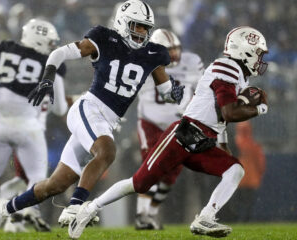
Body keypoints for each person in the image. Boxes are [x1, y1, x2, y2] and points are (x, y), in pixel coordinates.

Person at [0, 0, 185, 238]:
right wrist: (47, 78)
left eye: (145, 28)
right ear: (122, 22)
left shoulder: (153, 53)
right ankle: (75, 206)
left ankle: (4, 208)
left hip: (106, 121)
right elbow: (59, 53)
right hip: (88, 109)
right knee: (107, 151)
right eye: (136, 26)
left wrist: (174, 93)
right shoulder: (104, 38)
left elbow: (165, 91)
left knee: (55, 185)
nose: (141, 32)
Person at [68, 26, 270, 239]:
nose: (259, 60)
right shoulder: (227, 68)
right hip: (183, 136)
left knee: (235, 170)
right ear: (244, 51)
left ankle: (205, 218)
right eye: (257, 53)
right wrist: (258, 109)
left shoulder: (236, 74)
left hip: (203, 142)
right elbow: (229, 111)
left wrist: (223, 144)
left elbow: (220, 115)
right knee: (139, 183)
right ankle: (89, 209)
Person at [0, 19, 68, 234]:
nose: (53, 47)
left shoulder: (8, 48)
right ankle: (22, 214)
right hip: (28, 126)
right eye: (51, 42)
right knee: (37, 177)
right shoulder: (52, 62)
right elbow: (60, 108)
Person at [135, 28, 203, 230]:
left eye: (176, 49)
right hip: (151, 122)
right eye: (168, 50)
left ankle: (152, 213)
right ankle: (142, 215)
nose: (174, 54)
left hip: (179, 126)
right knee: (150, 168)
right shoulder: (145, 62)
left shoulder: (192, 62)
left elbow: (203, 90)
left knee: (172, 174)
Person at [233, 121, 266, 222]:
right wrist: (259, 175)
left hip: (237, 179)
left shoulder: (234, 144)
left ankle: (237, 219)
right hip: (251, 178)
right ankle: (246, 220)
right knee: (248, 203)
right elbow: (260, 162)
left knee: (236, 202)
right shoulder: (254, 145)